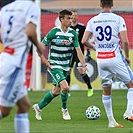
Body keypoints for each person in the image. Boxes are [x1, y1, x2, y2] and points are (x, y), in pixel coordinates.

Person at [0, 0, 50, 133]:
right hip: (14, 65)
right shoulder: (31, 7)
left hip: (6, 57)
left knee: (24, 105)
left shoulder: (6, 9)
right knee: (4, 111)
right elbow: (30, 31)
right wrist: (39, 45)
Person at [82, 0, 133, 128]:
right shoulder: (118, 19)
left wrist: (95, 48)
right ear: (112, 4)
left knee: (106, 89)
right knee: (131, 85)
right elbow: (125, 42)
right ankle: (129, 112)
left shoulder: (92, 20)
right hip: (115, 57)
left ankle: (111, 121)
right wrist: (127, 57)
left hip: (101, 60)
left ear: (100, 4)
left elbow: (84, 40)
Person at [33, 9, 87, 121]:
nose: (71, 20)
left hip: (65, 67)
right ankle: (65, 111)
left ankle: (38, 107)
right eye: (68, 18)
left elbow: (78, 50)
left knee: (56, 91)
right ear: (61, 19)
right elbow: (39, 48)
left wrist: (84, 64)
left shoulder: (73, 34)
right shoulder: (53, 32)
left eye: (71, 18)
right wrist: (45, 60)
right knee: (65, 87)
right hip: (54, 65)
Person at [66, 10, 93, 97]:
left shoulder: (81, 27)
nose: (74, 17)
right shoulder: (67, 28)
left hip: (79, 53)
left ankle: (89, 88)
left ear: (77, 17)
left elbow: (86, 40)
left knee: (81, 71)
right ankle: (67, 90)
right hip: (69, 53)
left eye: (75, 16)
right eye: (72, 16)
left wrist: (88, 51)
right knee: (67, 71)